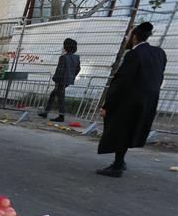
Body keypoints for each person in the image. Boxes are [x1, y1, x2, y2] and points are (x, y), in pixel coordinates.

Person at [97, 22, 167, 177]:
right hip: (149, 101)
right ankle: (120, 162)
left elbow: (122, 81)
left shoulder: (134, 54)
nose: (126, 38)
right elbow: (159, 76)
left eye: (128, 35)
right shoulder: (159, 53)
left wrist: (107, 105)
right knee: (129, 131)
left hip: (129, 101)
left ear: (134, 37)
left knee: (120, 130)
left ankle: (117, 166)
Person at [38, 38, 80, 123]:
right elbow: (78, 69)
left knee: (60, 98)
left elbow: (59, 70)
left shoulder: (63, 57)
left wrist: (55, 80)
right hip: (68, 80)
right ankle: (46, 112)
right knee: (53, 94)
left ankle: (61, 116)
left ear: (66, 46)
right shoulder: (76, 57)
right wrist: (72, 76)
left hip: (61, 80)